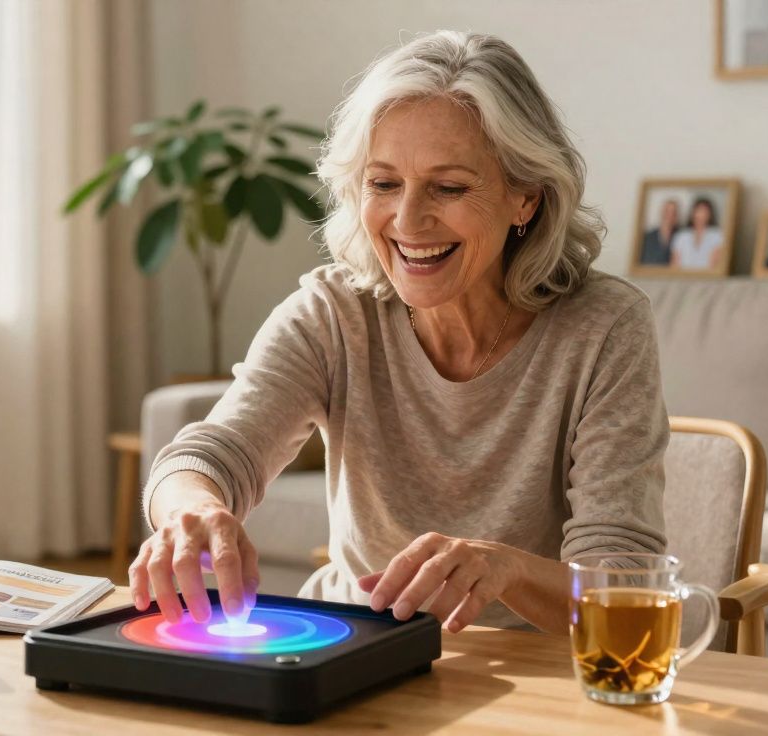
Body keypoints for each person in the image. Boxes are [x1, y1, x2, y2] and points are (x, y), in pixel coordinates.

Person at [131, 31, 668, 636]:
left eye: (449, 187)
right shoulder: (334, 312)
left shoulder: (604, 327)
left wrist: (507, 571)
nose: (408, 221)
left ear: (526, 199)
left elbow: (623, 590)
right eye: (384, 184)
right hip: (352, 645)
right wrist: (193, 508)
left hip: (533, 674)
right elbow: (210, 453)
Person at [669, 197, 724, 271]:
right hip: (682, 277)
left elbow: (715, 264)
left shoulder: (717, 235)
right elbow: (674, 264)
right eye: (698, 210)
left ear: (710, 214)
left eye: (704, 211)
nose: (700, 215)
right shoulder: (681, 235)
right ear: (693, 213)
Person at [640, 199, 679, 266]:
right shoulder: (648, 237)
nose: (669, 215)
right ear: (661, 212)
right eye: (667, 211)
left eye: (673, 213)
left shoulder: (680, 237)